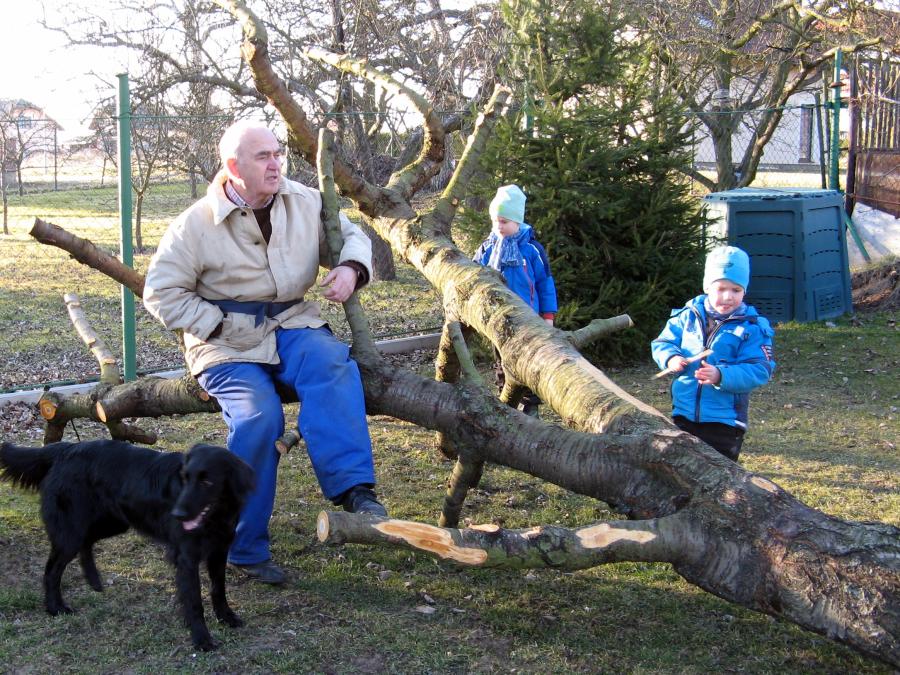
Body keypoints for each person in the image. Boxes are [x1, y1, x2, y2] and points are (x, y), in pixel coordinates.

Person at [143, 120, 387, 585]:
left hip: (292, 323)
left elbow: (352, 235)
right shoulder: (193, 224)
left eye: (278, 154)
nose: (276, 164)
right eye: (263, 157)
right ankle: (241, 544)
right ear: (233, 167)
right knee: (259, 418)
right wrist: (214, 324)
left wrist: (353, 268)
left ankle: (355, 489)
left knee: (332, 365)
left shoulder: (305, 199)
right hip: (225, 342)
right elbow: (161, 293)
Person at [651, 245, 775, 462]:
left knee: (717, 478)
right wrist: (671, 358)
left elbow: (759, 370)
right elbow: (663, 342)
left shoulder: (752, 327)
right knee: (679, 469)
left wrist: (721, 375)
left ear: (744, 290)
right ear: (708, 287)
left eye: (736, 290)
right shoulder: (687, 316)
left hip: (724, 422)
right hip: (683, 413)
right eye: (721, 289)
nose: (728, 297)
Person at [473, 184, 558, 416]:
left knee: (530, 361)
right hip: (497, 320)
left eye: (504, 221)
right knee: (502, 362)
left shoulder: (531, 250)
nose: (498, 226)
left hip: (528, 319)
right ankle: (507, 403)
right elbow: (475, 277)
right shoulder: (487, 249)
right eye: (495, 221)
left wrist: (548, 316)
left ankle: (531, 408)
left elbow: (545, 283)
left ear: (517, 222)